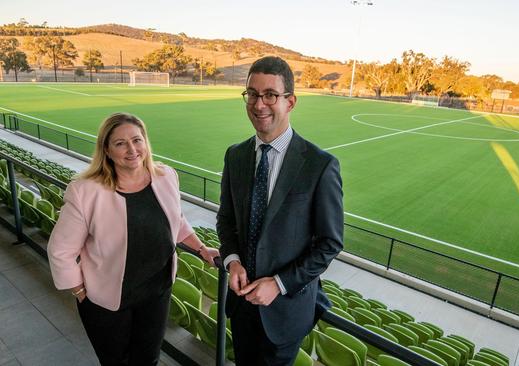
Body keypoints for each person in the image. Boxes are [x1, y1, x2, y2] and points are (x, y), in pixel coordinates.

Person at [47, 112, 219, 365]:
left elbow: (176, 220)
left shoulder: (166, 176)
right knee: (116, 361)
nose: (132, 149)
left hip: (156, 292)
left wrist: (202, 248)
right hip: (106, 299)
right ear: (106, 150)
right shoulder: (85, 191)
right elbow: (60, 250)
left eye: (137, 140)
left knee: (148, 359)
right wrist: (81, 291)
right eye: (120, 143)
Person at [217, 56, 344, 365]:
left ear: (290, 101)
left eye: (270, 95)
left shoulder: (319, 165)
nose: (259, 104)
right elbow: (227, 220)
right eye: (252, 94)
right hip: (241, 305)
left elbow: (330, 244)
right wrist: (232, 261)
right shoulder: (235, 156)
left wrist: (279, 283)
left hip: (285, 311)